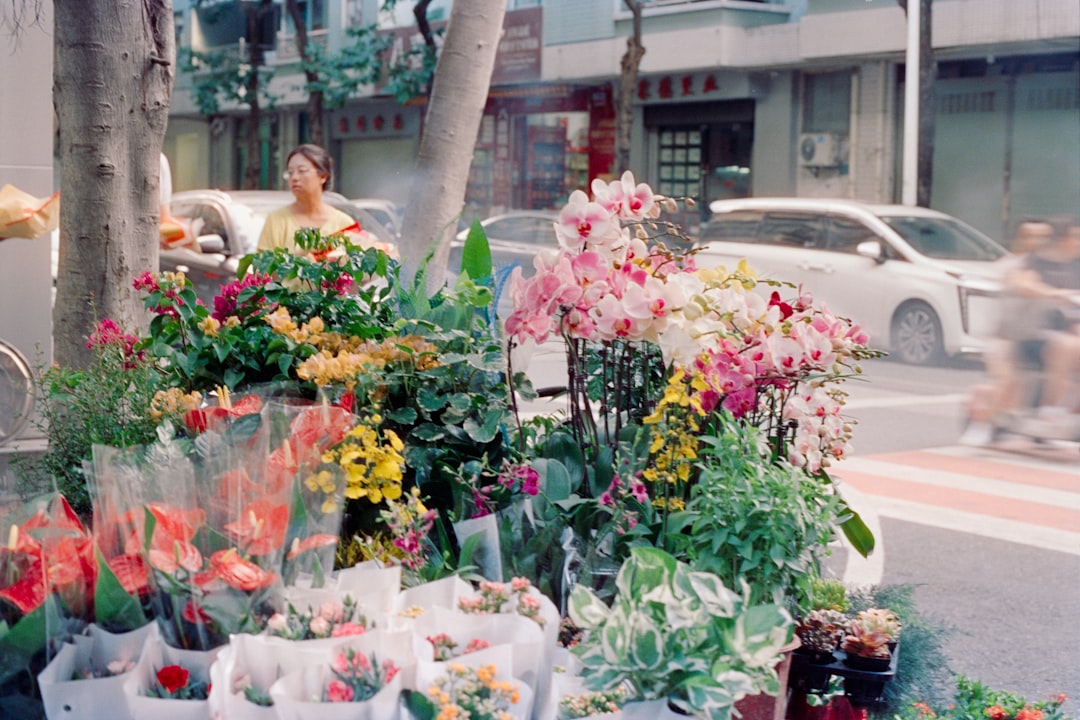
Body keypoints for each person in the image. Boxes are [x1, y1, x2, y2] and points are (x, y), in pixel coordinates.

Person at [961, 215, 1080, 445]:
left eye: (1043, 236)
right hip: (1005, 336)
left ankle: (1053, 419)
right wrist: (1055, 294)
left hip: (1038, 335)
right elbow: (1025, 284)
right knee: (1007, 382)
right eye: (1031, 236)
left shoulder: (1059, 264)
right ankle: (981, 425)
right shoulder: (1017, 264)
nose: (1038, 241)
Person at [258, 144, 356, 253]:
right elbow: (264, 266)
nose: (294, 178)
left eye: (302, 171)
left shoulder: (343, 223)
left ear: (323, 176)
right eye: (290, 172)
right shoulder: (276, 220)